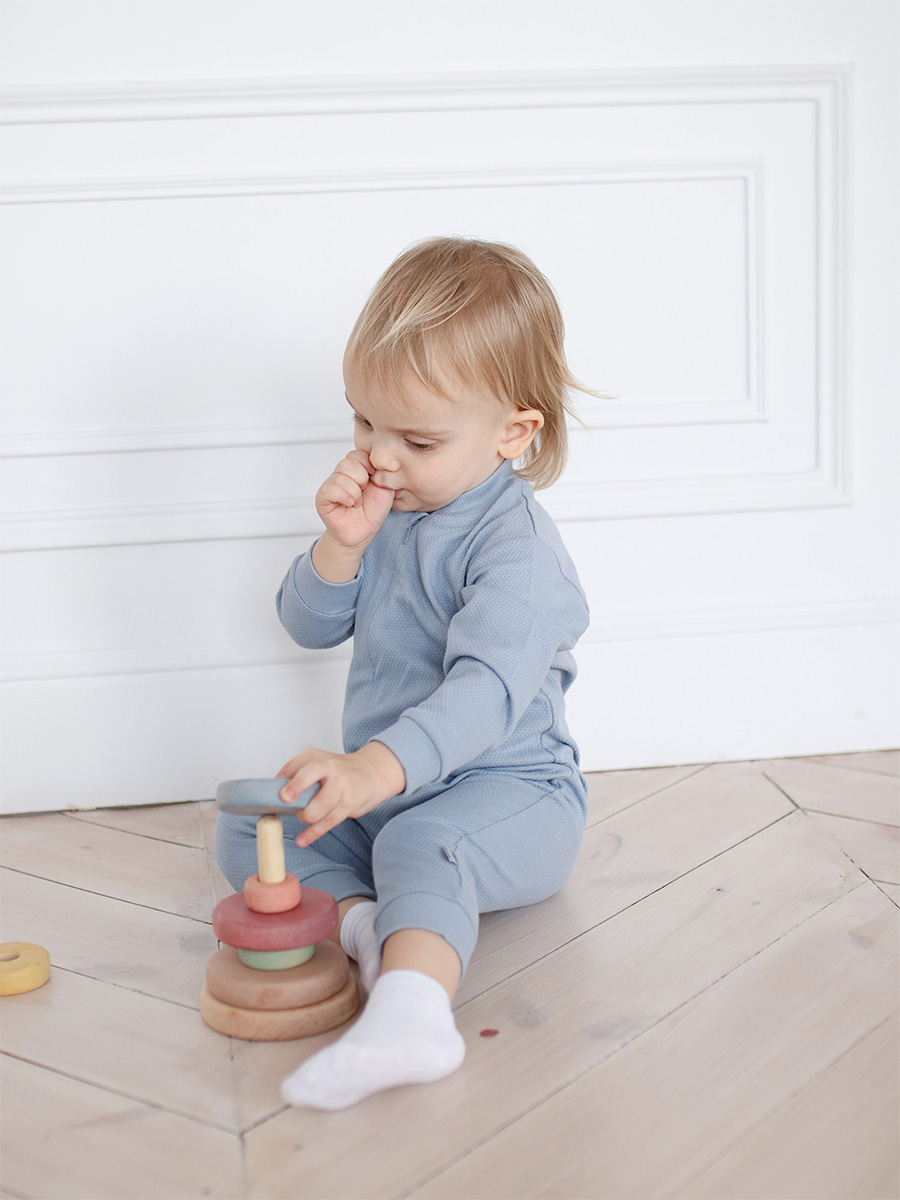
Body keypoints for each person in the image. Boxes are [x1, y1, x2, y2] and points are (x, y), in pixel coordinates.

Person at [215, 236, 592, 1110]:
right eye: (363, 423)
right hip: (390, 789)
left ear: (514, 432)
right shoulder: (390, 508)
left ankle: (414, 1016)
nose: (381, 457)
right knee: (254, 827)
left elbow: (483, 698)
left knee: (420, 843)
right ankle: (369, 931)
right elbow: (308, 626)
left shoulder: (520, 555)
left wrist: (370, 770)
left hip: (512, 795)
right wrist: (341, 547)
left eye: (417, 439)